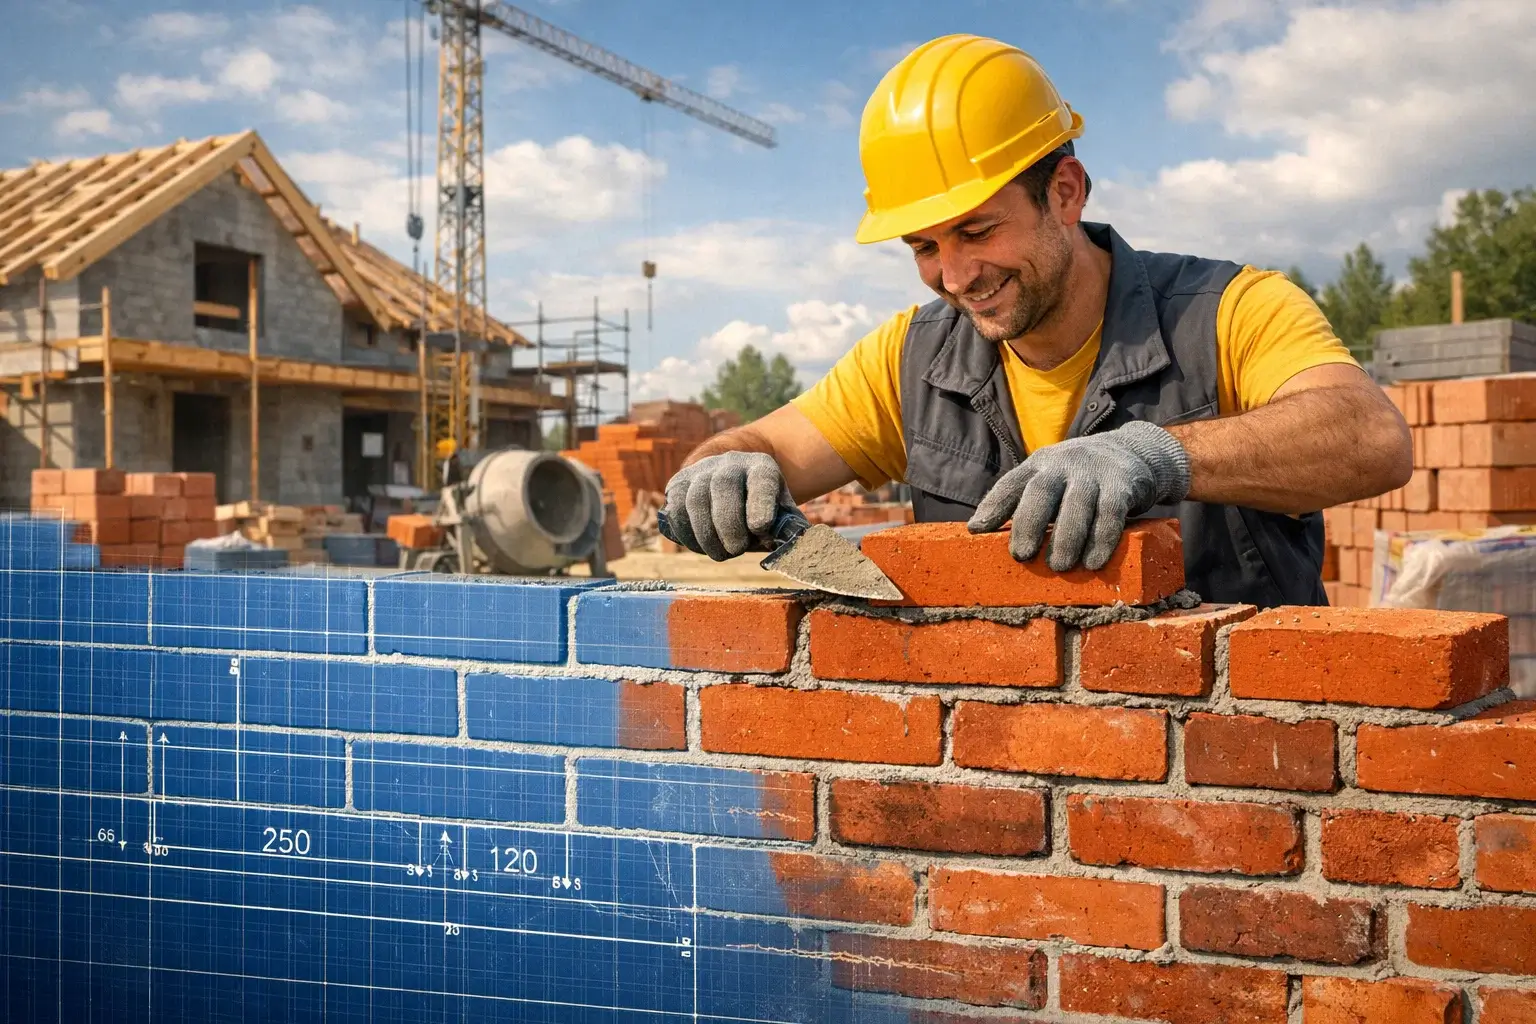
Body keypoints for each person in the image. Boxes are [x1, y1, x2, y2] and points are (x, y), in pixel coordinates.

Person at [661, 34, 1411, 606]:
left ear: (1065, 193)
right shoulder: (912, 359)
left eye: (978, 232)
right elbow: (757, 446)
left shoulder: (1226, 314)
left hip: (1230, 767)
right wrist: (716, 468)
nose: (954, 277)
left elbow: (1371, 437)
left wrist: (1159, 457)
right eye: (924, 246)